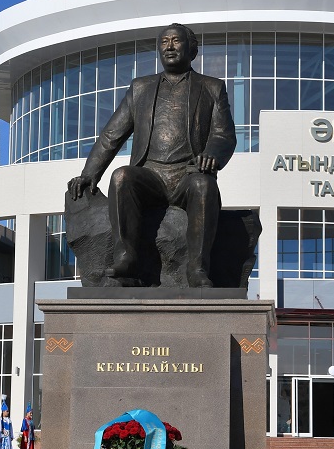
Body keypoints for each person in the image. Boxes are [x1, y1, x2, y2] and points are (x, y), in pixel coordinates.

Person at [67, 23, 236, 288]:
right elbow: (111, 135)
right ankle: (127, 258)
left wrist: (212, 154)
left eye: (176, 41)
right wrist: (89, 175)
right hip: (151, 176)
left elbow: (223, 135)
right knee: (122, 176)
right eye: (164, 41)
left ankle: (198, 268)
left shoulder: (212, 88)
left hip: (188, 174)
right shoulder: (140, 88)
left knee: (204, 185)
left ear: (192, 50)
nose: (169, 46)